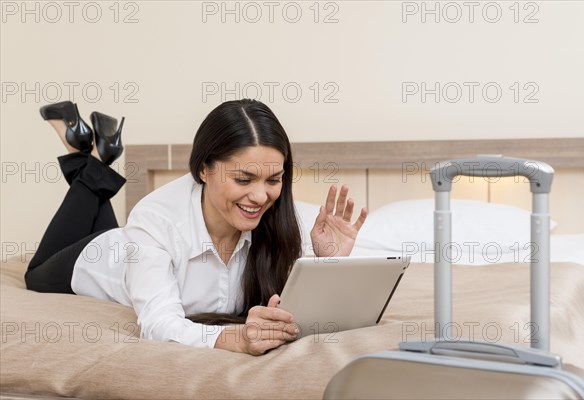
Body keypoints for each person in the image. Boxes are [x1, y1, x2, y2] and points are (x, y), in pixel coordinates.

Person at [25, 99, 367, 355]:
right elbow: (158, 325)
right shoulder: (156, 220)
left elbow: (299, 314)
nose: (261, 196)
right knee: (35, 274)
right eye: (244, 178)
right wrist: (236, 339)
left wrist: (328, 262)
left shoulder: (279, 219)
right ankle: (95, 158)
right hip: (100, 257)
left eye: (274, 179)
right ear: (203, 168)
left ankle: (95, 151)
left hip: (131, 245)